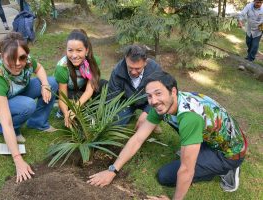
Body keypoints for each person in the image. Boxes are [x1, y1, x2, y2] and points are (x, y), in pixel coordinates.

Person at [88, 71, 247, 199]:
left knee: (166, 176)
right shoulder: (164, 105)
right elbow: (138, 138)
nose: (153, 101)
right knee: (183, 158)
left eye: (158, 93)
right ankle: (202, 154)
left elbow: (186, 170)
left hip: (229, 153)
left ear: (173, 91)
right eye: (149, 96)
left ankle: (227, 170)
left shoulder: (189, 117)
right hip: (212, 138)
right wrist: (112, 170)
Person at [0, 32, 58, 182]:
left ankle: (37, 122)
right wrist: (18, 160)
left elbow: (39, 69)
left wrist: (44, 85)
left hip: (13, 91)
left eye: (22, 58)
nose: (18, 63)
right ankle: (13, 131)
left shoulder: (25, 58)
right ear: (1, 55)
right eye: (11, 58)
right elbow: (7, 122)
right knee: (27, 106)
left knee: (52, 83)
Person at [54, 29, 107, 128]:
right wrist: (67, 114)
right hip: (69, 92)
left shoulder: (93, 61)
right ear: (66, 50)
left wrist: (74, 109)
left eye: (79, 50)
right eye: (70, 50)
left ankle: (89, 108)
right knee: (77, 97)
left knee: (104, 84)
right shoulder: (62, 68)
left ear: (86, 51)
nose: (74, 55)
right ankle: (63, 111)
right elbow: (62, 96)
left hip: (83, 89)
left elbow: (89, 90)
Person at [108, 45, 162, 130]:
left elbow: (161, 95)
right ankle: (130, 114)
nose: (133, 72)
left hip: (149, 101)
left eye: (137, 69)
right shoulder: (117, 71)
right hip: (127, 102)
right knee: (115, 124)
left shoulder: (155, 69)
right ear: (126, 59)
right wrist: (115, 114)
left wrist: (147, 112)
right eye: (130, 67)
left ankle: (153, 119)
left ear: (145, 62)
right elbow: (112, 97)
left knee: (161, 107)